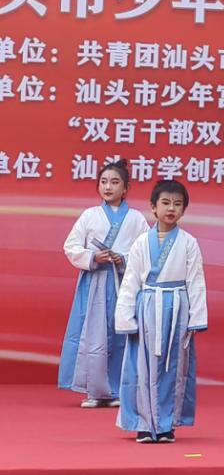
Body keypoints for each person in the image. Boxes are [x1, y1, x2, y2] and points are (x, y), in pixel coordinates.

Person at [115, 180, 207, 444]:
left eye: (177, 204)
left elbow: (196, 280)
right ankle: (144, 423)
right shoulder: (141, 242)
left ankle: (166, 424)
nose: (171, 209)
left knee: (172, 367)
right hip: (147, 309)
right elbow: (131, 281)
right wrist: (126, 317)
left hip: (177, 308)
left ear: (184, 210)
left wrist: (196, 318)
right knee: (141, 368)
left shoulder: (189, 242)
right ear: (153, 207)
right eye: (165, 203)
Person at [58, 159, 149, 408]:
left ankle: (118, 390)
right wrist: (92, 257)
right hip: (95, 283)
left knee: (121, 335)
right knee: (93, 336)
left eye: (115, 182)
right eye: (104, 182)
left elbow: (145, 251)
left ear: (126, 188)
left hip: (123, 283)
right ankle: (94, 390)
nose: (108, 187)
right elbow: (71, 246)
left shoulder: (136, 219)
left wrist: (124, 259)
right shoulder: (90, 215)